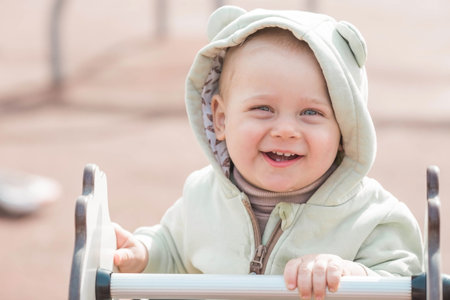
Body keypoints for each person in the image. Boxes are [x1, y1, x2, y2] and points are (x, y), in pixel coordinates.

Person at [113, 6, 423, 300]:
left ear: (344, 128)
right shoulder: (202, 197)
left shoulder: (372, 218)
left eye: (311, 112)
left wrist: (349, 275)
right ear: (221, 119)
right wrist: (143, 255)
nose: (285, 130)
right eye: (263, 108)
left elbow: (404, 282)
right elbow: (174, 254)